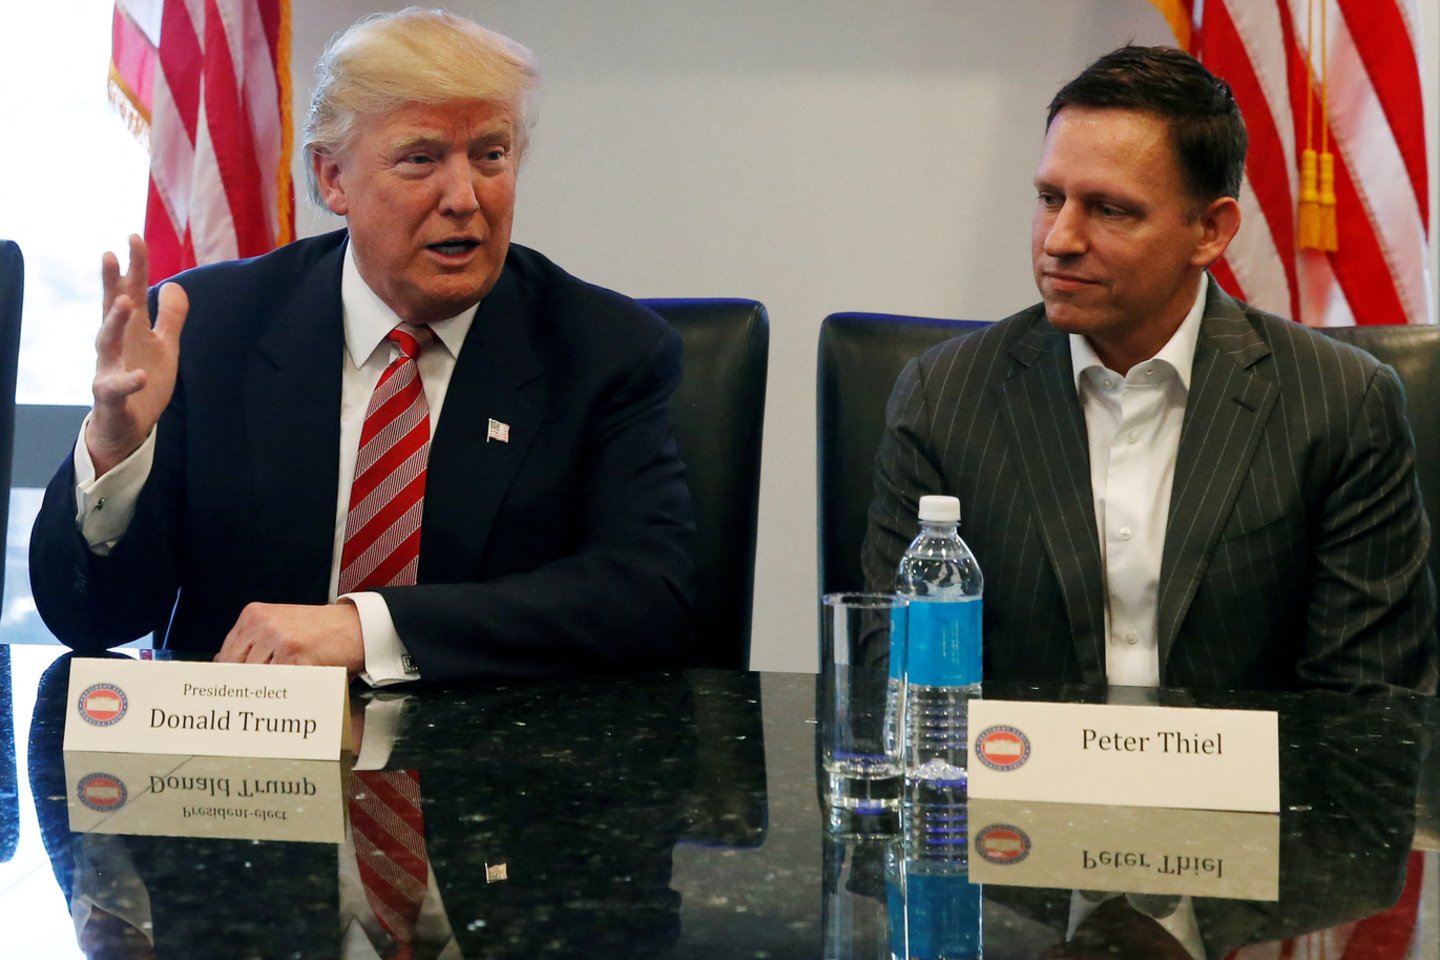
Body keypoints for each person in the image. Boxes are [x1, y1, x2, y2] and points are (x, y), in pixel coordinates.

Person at [30, 9, 696, 684]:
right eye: (421, 159)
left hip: (489, 742)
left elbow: (649, 594)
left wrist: (367, 629)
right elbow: (92, 620)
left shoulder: (603, 350)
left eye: (490, 155)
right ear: (333, 179)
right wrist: (115, 453)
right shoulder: (210, 330)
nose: (464, 197)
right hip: (242, 743)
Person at [863, 45, 1437, 694]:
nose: (1060, 239)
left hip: (1260, 766)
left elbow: (1369, 708)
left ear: (1210, 231)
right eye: (1051, 198)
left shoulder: (1340, 403)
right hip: (1013, 763)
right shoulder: (943, 397)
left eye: (1110, 209)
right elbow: (899, 685)